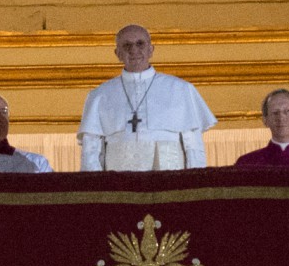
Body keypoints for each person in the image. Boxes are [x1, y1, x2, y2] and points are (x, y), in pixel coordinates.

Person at [77, 24, 217, 171]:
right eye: (127, 45)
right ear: (117, 53)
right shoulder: (100, 95)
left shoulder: (181, 89)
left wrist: (194, 184)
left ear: (151, 50)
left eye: (140, 44)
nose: (134, 50)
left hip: (170, 178)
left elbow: (193, 146)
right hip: (118, 181)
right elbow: (91, 151)